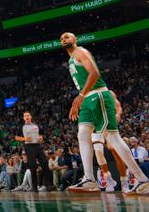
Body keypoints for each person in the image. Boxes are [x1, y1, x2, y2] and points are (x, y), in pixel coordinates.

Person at [61, 31, 149, 193]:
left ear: (75, 39)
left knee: (113, 138)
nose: (64, 39)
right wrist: (81, 97)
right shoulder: (71, 59)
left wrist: (80, 96)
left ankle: (142, 179)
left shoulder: (81, 51)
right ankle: (89, 179)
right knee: (82, 134)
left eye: (67, 36)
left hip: (98, 94)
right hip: (87, 99)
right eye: (61, 38)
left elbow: (94, 73)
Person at [14, 111, 51, 191]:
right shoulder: (22, 127)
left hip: (38, 146)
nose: (26, 117)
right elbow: (16, 137)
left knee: (44, 163)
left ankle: (48, 185)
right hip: (29, 146)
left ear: (31, 117)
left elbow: (42, 134)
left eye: (28, 115)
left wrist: (42, 138)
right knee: (33, 166)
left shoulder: (36, 125)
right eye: (25, 116)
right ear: (24, 118)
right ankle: (34, 186)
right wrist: (24, 139)